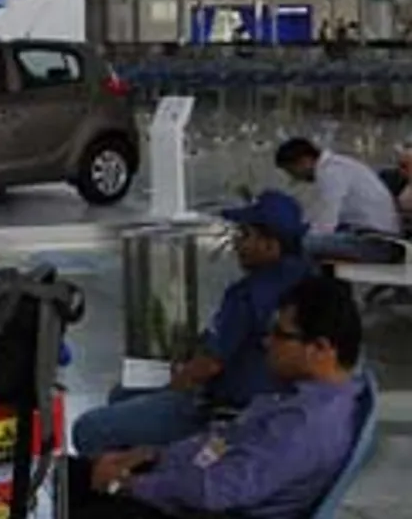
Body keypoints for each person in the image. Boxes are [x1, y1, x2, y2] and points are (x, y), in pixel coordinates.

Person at [68, 275, 364, 519]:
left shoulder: (303, 425)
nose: (266, 342)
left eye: (280, 334)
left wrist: (124, 485)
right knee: (65, 474)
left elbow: (214, 491)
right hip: (183, 476)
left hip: (189, 503)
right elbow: (224, 443)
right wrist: (153, 454)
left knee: (68, 494)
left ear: (321, 348)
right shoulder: (310, 398)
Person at [73, 191, 315, 455]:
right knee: (123, 395)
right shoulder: (310, 281)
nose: (235, 244)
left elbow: (209, 365)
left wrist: (169, 392)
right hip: (272, 404)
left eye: (245, 235)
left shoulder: (248, 294)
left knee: (89, 429)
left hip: (221, 412)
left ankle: (120, 484)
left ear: (271, 245)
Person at [275, 137, 400, 262]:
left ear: (304, 161)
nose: (294, 177)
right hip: (373, 238)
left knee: (300, 245)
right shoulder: (339, 166)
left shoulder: (331, 172)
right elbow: (318, 215)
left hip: (377, 243)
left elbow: (326, 223)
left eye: (291, 171)